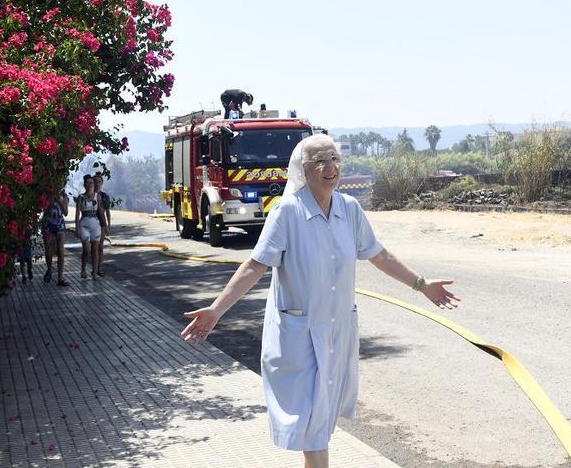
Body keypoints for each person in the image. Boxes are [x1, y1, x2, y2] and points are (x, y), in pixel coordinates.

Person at [180, 134, 459, 468]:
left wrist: (421, 284)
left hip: (337, 331)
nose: (331, 167)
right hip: (298, 335)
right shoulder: (287, 211)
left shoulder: (349, 209)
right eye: (321, 161)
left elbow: (380, 255)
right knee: (312, 422)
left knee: (321, 422)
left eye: (335, 158)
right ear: (303, 169)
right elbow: (255, 265)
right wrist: (216, 309)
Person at [75, 174, 104, 279]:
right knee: (86, 249)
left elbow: (100, 211)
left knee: (95, 250)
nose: (90, 185)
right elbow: (77, 214)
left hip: (95, 225)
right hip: (84, 224)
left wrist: (105, 225)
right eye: (88, 183)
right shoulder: (81, 197)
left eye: (91, 183)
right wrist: (77, 228)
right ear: (84, 185)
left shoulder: (98, 196)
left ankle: (94, 272)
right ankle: (83, 268)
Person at [41, 188, 70, 286]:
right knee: (48, 250)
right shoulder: (46, 194)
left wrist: (59, 201)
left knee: (61, 252)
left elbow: (65, 212)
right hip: (47, 224)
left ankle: (60, 278)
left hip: (59, 224)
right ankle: (49, 269)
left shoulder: (64, 196)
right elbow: (42, 208)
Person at [93, 173, 112, 277]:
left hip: (101, 224)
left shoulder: (105, 196)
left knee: (100, 247)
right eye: (95, 182)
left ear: (102, 183)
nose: (97, 184)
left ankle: (99, 269)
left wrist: (109, 225)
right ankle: (94, 268)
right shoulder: (89, 196)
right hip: (91, 224)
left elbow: (108, 211)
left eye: (99, 182)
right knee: (92, 248)